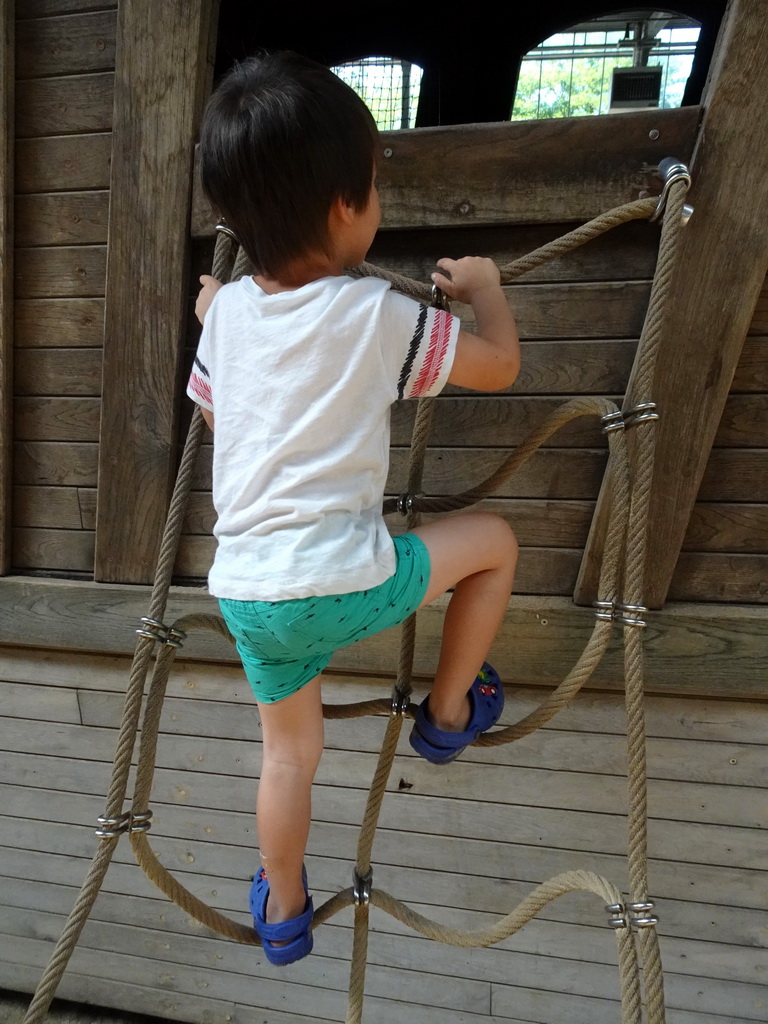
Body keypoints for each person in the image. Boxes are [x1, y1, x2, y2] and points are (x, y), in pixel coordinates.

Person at [187, 51, 520, 967]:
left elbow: (216, 406)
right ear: (346, 205)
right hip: (346, 582)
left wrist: (220, 311)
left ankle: (284, 908)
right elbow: (499, 368)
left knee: (288, 754)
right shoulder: (377, 313)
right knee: (493, 544)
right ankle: (450, 713)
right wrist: (486, 294)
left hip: (249, 599)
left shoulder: (227, 320)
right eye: (374, 185)